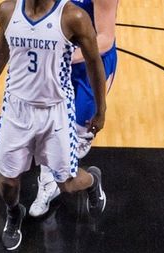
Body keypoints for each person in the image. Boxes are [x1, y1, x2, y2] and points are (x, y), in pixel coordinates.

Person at [0, 0, 107, 251]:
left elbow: (94, 61)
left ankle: (93, 180)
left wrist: (101, 109)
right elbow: (0, 51)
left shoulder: (73, 16)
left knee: (68, 183)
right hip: (16, 109)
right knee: (7, 182)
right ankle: (13, 212)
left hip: (55, 112)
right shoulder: (8, 11)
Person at [29, 0, 118, 217]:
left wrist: (61, 57)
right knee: (47, 132)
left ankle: (90, 179)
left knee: (74, 141)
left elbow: (105, 39)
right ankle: (48, 182)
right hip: (59, 60)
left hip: (90, 65)